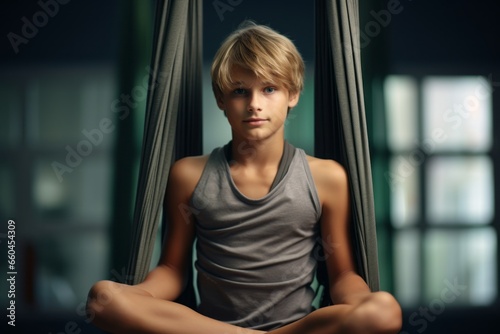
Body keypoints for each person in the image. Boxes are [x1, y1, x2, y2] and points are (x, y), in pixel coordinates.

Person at [86, 21, 402, 334]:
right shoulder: (189, 175)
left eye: (269, 89)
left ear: (292, 95)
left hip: (299, 328)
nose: (254, 104)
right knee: (102, 299)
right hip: (211, 329)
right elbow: (171, 269)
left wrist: (363, 303)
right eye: (240, 91)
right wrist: (138, 297)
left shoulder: (327, 177)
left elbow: (342, 274)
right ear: (221, 100)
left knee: (384, 312)